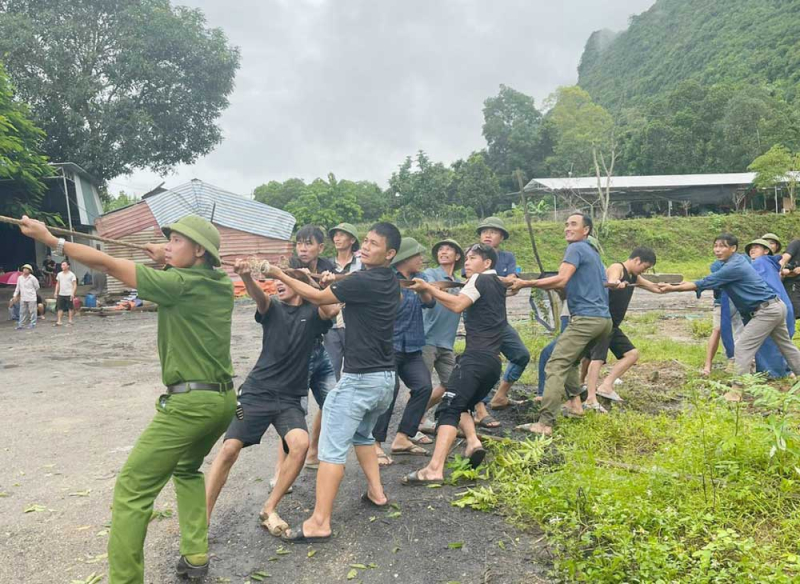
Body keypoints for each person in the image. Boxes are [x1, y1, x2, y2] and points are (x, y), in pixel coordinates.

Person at [17, 214, 236, 582]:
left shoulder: (177, 282)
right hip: (223, 400)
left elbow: (106, 262)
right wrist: (168, 256)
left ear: (199, 250)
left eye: (177, 241)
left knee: (133, 488)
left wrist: (52, 240)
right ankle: (196, 552)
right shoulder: (221, 283)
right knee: (186, 468)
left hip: (189, 406)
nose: (168, 245)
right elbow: (182, 269)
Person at [267, 222, 401, 544]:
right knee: (362, 434)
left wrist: (282, 274)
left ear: (390, 253)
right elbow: (343, 289)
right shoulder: (389, 280)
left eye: (373, 244)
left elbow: (315, 295)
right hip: (385, 380)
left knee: (330, 449)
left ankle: (319, 521)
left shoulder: (364, 280)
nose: (365, 247)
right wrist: (335, 280)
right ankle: (377, 493)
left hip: (360, 379)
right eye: (365, 242)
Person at [205, 264, 338, 536]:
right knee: (230, 448)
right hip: (256, 392)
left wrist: (320, 284)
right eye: (276, 281)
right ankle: (201, 518)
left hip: (289, 398)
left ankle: (269, 508)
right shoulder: (273, 308)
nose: (277, 284)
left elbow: (332, 309)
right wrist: (244, 276)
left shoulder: (313, 312)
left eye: (285, 282)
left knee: (300, 445)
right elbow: (259, 296)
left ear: (298, 284)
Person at [401, 243, 507, 485]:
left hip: (475, 359)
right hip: (492, 363)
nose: (467, 263)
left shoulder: (479, 279)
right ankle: (472, 443)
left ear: (487, 263)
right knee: (462, 404)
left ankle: (434, 469)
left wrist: (428, 288)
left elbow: (458, 304)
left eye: (472, 258)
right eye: (466, 258)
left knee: (448, 407)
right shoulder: (498, 284)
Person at [660, 233, 800, 398]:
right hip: (776, 306)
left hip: (766, 310)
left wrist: (673, 288)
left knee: (742, 346)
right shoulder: (737, 262)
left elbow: (706, 282)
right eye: (716, 246)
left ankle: (736, 391)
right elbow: (708, 279)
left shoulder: (734, 266)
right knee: (786, 346)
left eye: (722, 246)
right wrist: (679, 284)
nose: (717, 250)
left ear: (733, 248)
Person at [510, 213, 612, 436]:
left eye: (573, 224)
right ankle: (575, 405)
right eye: (566, 224)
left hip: (585, 319)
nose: (567, 228)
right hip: (603, 321)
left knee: (555, 364)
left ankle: (545, 423)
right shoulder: (593, 254)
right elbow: (575, 285)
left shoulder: (576, 248)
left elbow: (562, 279)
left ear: (586, 230)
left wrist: (526, 282)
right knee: (572, 361)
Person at [373, 237, 435, 465]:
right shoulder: (387, 279)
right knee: (390, 390)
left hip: (413, 346)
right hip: (389, 345)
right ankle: (375, 443)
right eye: (418, 255)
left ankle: (402, 438)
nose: (421, 259)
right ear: (406, 258)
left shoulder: (422, 278)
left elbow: (429, 303)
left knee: (424, 387)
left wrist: (423, 289)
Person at [583, 247, 663, 412]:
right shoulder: (617, 267)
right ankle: (590, 398)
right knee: (596, 359)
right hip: (603, 321)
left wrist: (678, 287)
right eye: (645, 267)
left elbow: (655, 288)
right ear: (637, 260)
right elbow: (612, 279)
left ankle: (605, 386)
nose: (644, 271)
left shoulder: (635, 276)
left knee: (632, 354)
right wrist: (616, 283)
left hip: (614, 325)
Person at [470, 217, 530, 429]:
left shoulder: (507, 257)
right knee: (484, 363)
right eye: (484, 231)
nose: (487, 235)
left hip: (499, 319)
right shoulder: (473, 254)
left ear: (502, 237)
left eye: (493, 232)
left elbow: (513, 280)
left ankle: (500, 396)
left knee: (521, 354)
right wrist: (503, 280)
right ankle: (479, 409)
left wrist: (506, 281)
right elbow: (474, 277)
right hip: (479, 321)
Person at [288, 225, 337, 469]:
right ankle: (281, 469)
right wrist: (315, 285)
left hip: (319, 345)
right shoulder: (292, 267)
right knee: (293, 415)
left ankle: (314, 452)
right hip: (298, 347)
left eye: (308, 243)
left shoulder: (328, 267)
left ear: (320, 247)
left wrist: (326, 287)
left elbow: (333, 304)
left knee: (333, 402)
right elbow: (324, 302)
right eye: (299, 243)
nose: (303, 248)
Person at [420, 239, 463, 421]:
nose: (443, 252)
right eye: (440, 250)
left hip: (447, 341)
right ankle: (414, 423)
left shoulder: (460, 282)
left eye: (448, 249)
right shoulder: (430, 273)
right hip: (427, 338)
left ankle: (418, 415)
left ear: (457, 256)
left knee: (450, 384)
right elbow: (430, 289)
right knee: (422, 385)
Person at [324, 223, 362, 380]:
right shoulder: (326, 265)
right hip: (331, 325)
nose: (336, 238)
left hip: (355, 324)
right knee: (332, 370)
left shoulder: (361, 264)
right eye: (335, 235)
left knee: (357, 370)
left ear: (352, 239)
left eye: (341, 234)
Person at [776, 234, 800, 320]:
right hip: (793, 283)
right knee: (794, 310)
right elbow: (783, 260)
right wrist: (780, 271)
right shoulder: (796, 244)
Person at [9, 263, 40, 330]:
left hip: (31, 297)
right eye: (24, 269)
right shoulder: (20, 278)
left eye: (27, 269)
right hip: (23, 297)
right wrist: (15, 295)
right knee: (22, 312)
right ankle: (21, 324)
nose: (25, 270)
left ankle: (33, 324)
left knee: (32, 311)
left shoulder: (32, 278)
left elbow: (37, 287)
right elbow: (18, 288)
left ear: (30, 271)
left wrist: (32, 292)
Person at [54, 260, 77, 326]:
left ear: (68, 266)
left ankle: (70, 320)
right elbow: (57, 284)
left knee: (70, 307)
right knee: (60, 307)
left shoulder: (71, 274)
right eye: (62, 265)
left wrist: (73, 293)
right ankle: (59, 321)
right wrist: (56, 292)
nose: (62, 266)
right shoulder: (59, 274)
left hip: (69, 293)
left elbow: (74, 284)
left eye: (64, 265)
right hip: (61, 293)